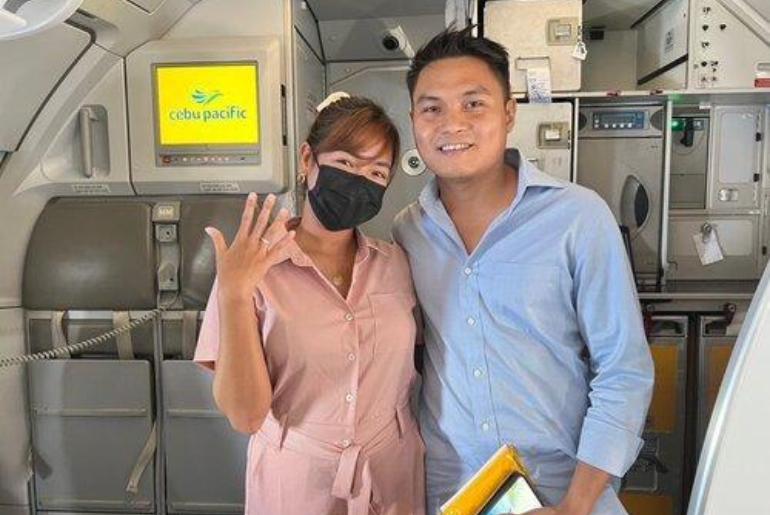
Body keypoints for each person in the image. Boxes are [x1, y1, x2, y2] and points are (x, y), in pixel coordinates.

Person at [393, 27, 655, 515]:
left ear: (509, 112)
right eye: (432, 109)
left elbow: (624, 368)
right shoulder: (408, 231)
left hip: (563, 485)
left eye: (474, 103)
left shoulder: (577, 217)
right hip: (451, 490)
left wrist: (575, 506)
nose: (453, 124)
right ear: (413, 121)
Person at [194, 94, 425, 515]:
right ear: (307, 159)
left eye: (377, 172)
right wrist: (234, 293)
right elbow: (246, 417)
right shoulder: (251, 270)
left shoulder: (398, 265)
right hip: (296, 478)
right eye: (345, 163)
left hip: (391, 471)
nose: (359, 180)